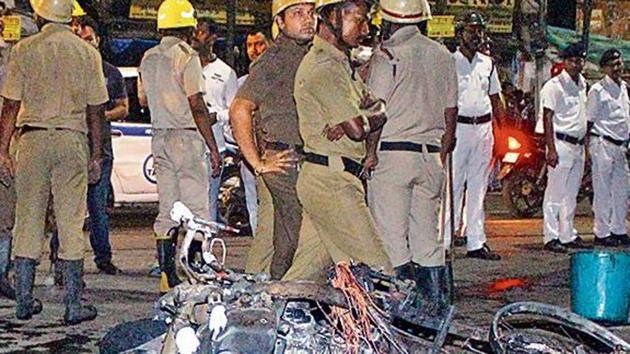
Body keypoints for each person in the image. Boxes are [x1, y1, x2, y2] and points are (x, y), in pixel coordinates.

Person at [0, 0, 107, 324]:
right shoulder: (88, 53)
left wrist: (2, 150)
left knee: (28, 218)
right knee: (71, 220)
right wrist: (97, 154)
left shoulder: (24, 50)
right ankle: (73, 304)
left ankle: (23, 300)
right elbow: (96, 111)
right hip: (71, 139)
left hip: (31, 140)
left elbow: (10, 106)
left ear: (39, 15)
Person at [284, 0, 393, 280]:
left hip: (328, 178)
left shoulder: (341, 64)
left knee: (304, 276)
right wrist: (368, 118)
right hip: (332, 183)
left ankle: (261, 318)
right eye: (359, 19)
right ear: (332, 16)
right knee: (378, 271)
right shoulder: (325, 68)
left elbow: (377, 108)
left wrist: (369, 117)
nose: (365, 29)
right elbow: (358, 128)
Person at [366, 0, 457, 308]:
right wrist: (440, 153)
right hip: (430, 156)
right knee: (427, 241)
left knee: (392, 239)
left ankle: (401, 311)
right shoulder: (443, 55)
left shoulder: (387, 56)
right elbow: (451, 112)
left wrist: (370, 153)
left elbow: (375, 112)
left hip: (393, 156)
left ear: (388, 22)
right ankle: (434, 310)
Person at [230, 0, 317, 280]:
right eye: (297, 14)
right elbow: (240, 109)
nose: (307, 20)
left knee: (270, 237)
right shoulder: (275, 59)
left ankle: (255, 297)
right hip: (285, 161)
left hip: (294, 158)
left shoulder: (309, 54)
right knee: (293, 239)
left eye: (311, 12)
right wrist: (257, 162)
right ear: (279, 22)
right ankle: (275, 295)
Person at [138, 0, 221, 293]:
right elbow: (196, 104)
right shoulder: (187, 57)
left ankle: (166, 277)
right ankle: (194, 273)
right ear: (188, 27)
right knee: (196, 211)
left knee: (167, 209)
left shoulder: (148, 57)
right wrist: (212, 147)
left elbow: (144, 101)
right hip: (186, 138)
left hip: (159, 137)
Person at [51, 16, 127, 276]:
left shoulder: (110, 72)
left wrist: (98, 116)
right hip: (72, 148)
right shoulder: (67, 70)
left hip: (100, 149)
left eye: (89, 39)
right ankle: (58, 258)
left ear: (98, 40)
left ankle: (102, 256)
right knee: (66, 208)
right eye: (80, 39)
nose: (85, 44)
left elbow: (122, 107)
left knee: (97, 209)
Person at [443, 11, 503, 261]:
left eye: (479, 30)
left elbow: (495, 97)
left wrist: (501, 130)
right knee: (453, 184)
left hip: (483, 128)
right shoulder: (449, 61)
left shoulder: (487, 63)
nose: (476, 35)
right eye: (470, 30)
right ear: (460, 33)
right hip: (459, 128)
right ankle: (445, 241)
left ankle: (476, 241)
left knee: (479, 186)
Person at [540, 43, 592, 253]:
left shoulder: (582, 84)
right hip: (560, 143)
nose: (576, 64)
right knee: (555, 193)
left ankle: (567, 233)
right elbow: (547, 117)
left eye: (579, 60)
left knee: (570, 194)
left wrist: (586, 148)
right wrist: (551, 149)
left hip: (578, 145)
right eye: (571, 60)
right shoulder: (553, 86)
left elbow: (584, 117)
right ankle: (550, 235)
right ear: (564, 62)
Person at [191, 19, 238, 223]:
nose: (195, 36)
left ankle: (206, 249)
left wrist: (216, 115)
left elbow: (234, 112)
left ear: (212, 38)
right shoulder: (185, 66)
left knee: (208, 201)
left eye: (200, 32)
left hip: (214, 146)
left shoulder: (225, 73)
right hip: (188, 143)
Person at [587, 48, 630, 247]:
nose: (617, 68)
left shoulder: (624, 88)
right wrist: (587, 150)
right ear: (604, 68)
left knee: (621, 190)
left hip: (621, 146)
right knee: (602, 190)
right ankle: (602, 232)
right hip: (602, 143)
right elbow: (589, 120)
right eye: (612, 65)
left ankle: (619, 229)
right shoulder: (597, 90)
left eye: (619, 64)